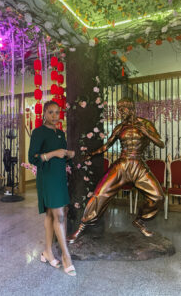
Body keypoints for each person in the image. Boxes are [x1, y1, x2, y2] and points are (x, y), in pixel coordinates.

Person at [68, 97, 165, 244]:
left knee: (158, 197)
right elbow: (106, 146)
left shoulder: (146, 124)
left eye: (122, 109)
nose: (120, 112)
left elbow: (160, 143)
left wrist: (146, 132)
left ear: (130, 107)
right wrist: (91, 154)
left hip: (138, 165)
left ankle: (139, 220)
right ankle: (81, 227)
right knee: (100, 194)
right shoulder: (120, 127)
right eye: (118, 109)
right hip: (122, 164)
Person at [28, 100, 76, 276]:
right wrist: (53, 154)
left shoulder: (60, 133)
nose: (55, 116)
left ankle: (47, 252)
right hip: (47, 178)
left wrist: (69, 155)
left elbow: (61, 157)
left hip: (59, 178)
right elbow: (33, 158)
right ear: (44, 114)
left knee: (51, 214)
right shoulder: (38, 132)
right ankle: (66, 256)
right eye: (51, 112)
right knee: (60, 216)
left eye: (57, 112)